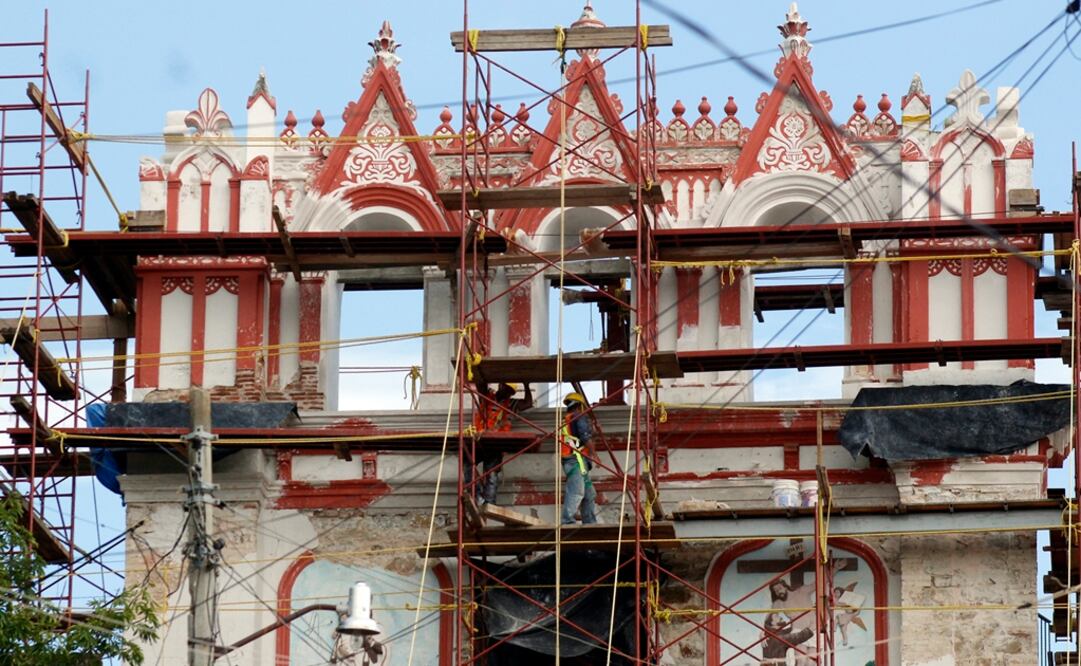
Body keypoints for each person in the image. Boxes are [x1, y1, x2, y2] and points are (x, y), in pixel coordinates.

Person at [469, 382, 532, 505]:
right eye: (506, 389)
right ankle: (476, 496)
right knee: (467, 465)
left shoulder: (510, 404)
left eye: (510, 391)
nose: (507, 393)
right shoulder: (486, 398)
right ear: (500, 386)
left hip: (496, 443)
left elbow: (528, 403)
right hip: (480, 440)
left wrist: (526, 385)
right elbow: (480, 384)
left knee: (492, 474)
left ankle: (489, 503)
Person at [559, 392, 597, 525]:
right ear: (580, 405)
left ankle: (590, 522)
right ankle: (567, 521)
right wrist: (595, 455)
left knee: (589, 494)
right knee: (577, 491)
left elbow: (581, 435)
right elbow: (585, 437)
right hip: (575, 460)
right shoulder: (578, 416)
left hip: (577, 461)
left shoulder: (568, 419)